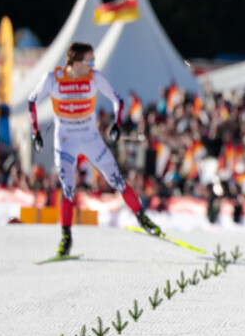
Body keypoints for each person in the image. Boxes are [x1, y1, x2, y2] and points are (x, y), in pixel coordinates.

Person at [28, 42, 161, 257]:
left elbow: (117, 99)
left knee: (118, 181)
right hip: (66, 142)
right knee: (68, 191)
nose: (93, 65)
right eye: (89, 61)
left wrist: (117, 125)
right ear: (77, 63)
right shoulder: (52, 79)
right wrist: (35, 132)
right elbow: (31, 100)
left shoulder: (95, 78)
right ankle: (66, 239)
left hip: (91, 140)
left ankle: (142, 218)